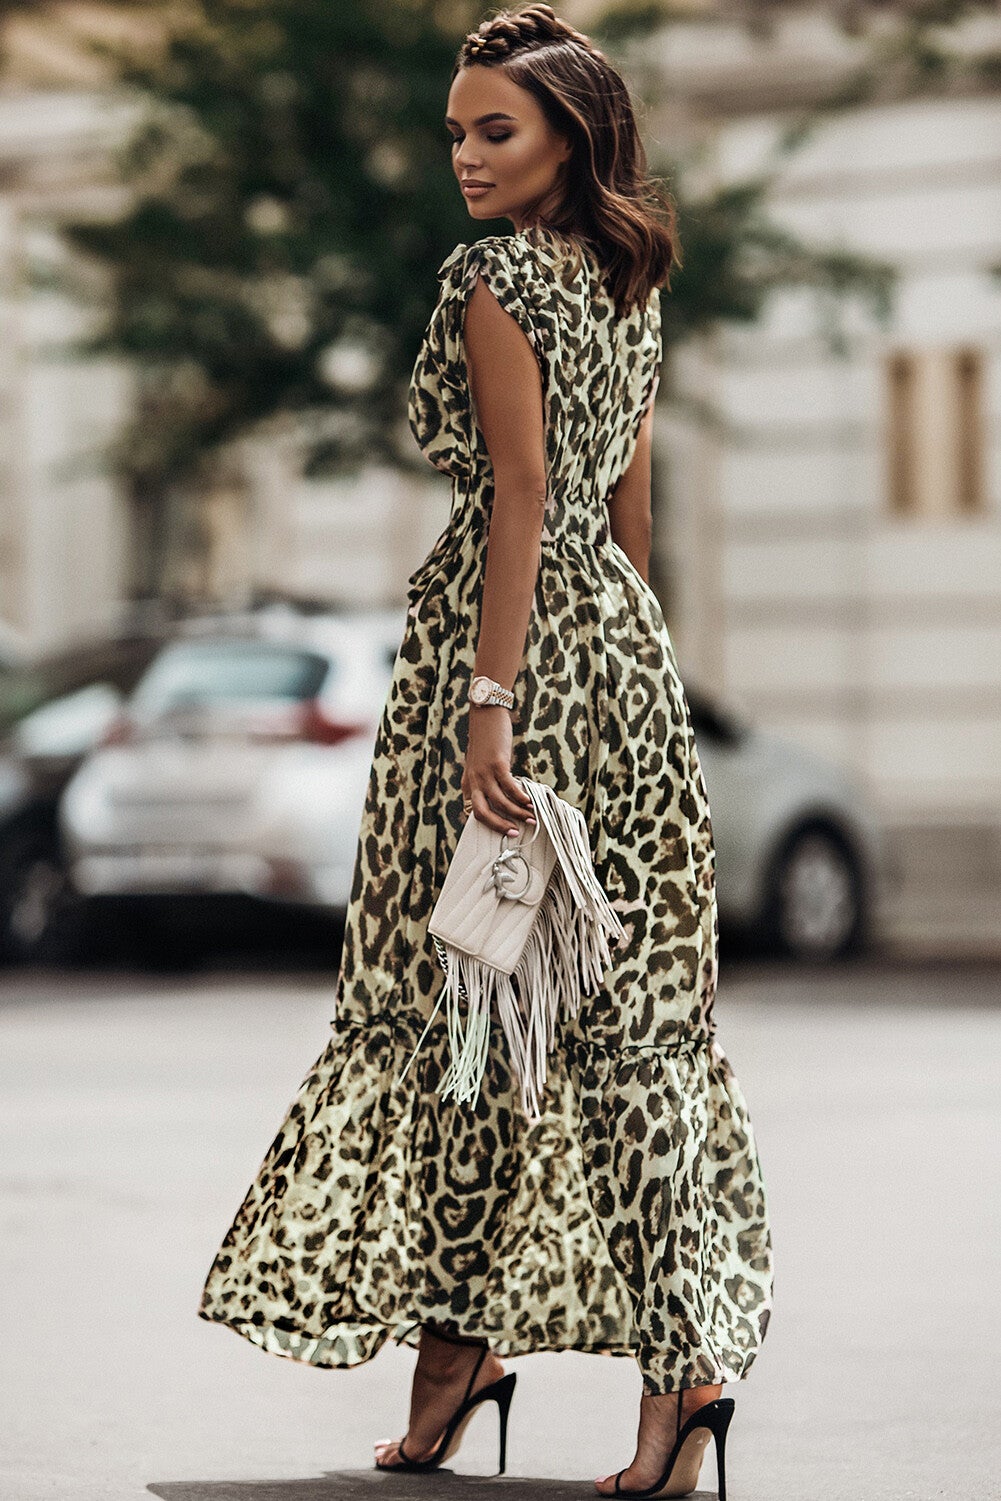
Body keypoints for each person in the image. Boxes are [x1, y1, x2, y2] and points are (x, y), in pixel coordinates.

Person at [198, 5, 773, 1496]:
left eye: (492, 129)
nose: (463, 154)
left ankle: (500, 1359)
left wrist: (488, 700)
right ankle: (628, 1368)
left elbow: (519, 491)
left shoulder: (495, 277)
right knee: (625, 1027)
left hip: (505, 651)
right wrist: (638, 670)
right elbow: (622, 507)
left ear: (568, 137)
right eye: (455, 129)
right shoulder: (634, 278)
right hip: (622, 657)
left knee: (447, 988)